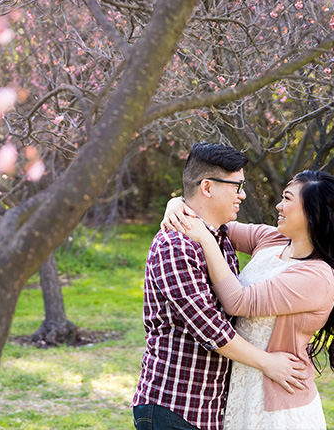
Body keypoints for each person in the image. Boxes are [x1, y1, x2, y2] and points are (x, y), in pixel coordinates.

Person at [161, 169, 334, 430]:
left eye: (287, 199)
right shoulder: (272, 239)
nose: (279, 205)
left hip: (278, 405)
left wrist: (206, 241)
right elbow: (210, 218)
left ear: (313, 213)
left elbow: (237, 301)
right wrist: (176, 204)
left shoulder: (317, 276)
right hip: (240, 392)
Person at [132, 143, 308, 430]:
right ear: (207, 187)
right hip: (173, 405)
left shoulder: (219, 236)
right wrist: (268, 363)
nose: (243, 195)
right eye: (237, 186)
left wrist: (177, 202)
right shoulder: (175, 246)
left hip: (204, 408)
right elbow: (211, 330)